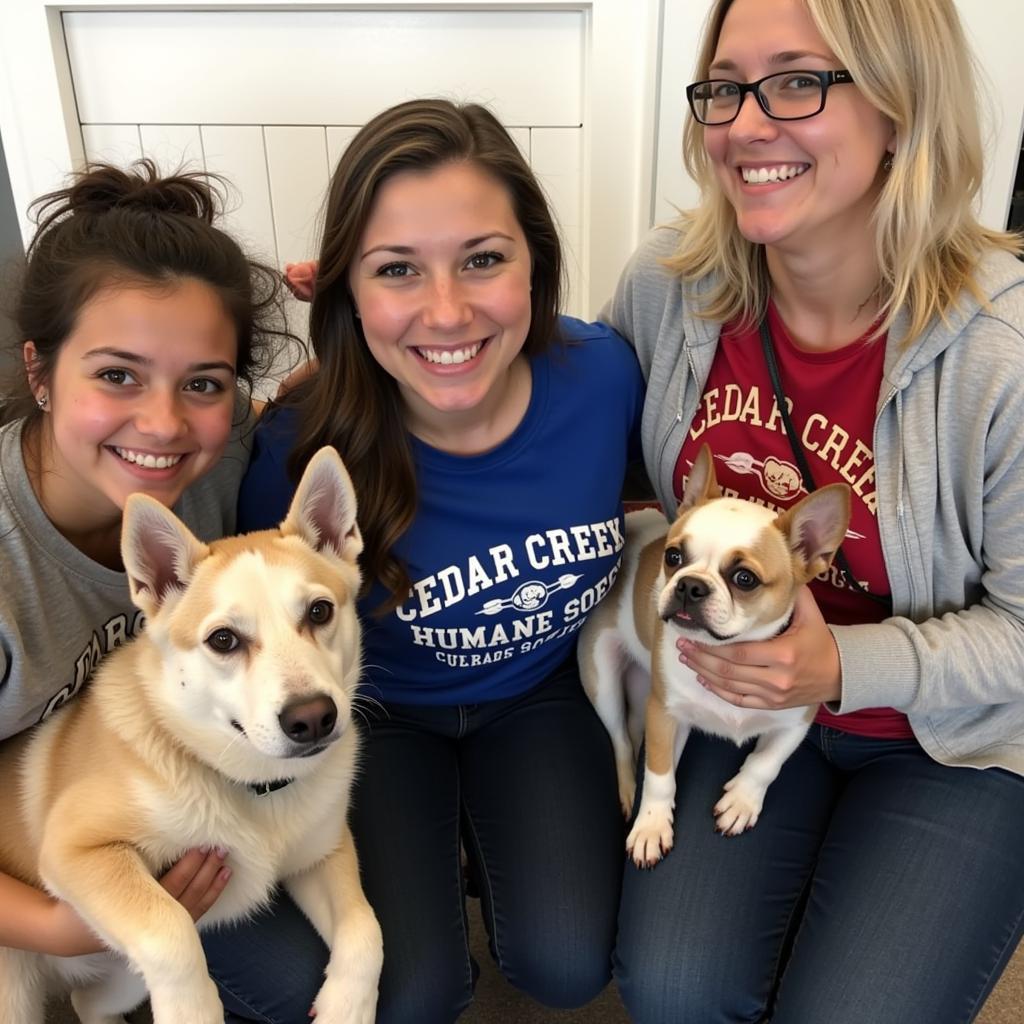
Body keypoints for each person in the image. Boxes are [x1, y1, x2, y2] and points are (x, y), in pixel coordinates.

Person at [601, 0, 1024, 1021]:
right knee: (671, 989)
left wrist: (843, 665)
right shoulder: (670, 285)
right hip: (729, 696)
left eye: (797, 80)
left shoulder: (1000, 354)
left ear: (898, 108)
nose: (745, 125)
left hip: (948, 737)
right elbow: (568, 426)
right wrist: (362, 358)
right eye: (724, 86)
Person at [238, 98, 644, 1022]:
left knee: (567, 964)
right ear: (346, 290)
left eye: (484, 259)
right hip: (379, 719)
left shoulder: (606, 376)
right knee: (412, 995)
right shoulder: (298, 460)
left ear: (535, 263)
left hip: (542, 692)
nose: (448, 311)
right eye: (397, 271)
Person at [0, 160, 328, 1023]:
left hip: (151, 810)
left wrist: (364, 305)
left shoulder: (216, 467)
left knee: (299, 980)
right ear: (39, 370)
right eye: (117, 374)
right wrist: (60, 925)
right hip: (25, 869)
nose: (163, 423)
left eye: (203, 383)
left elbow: (317, 406)